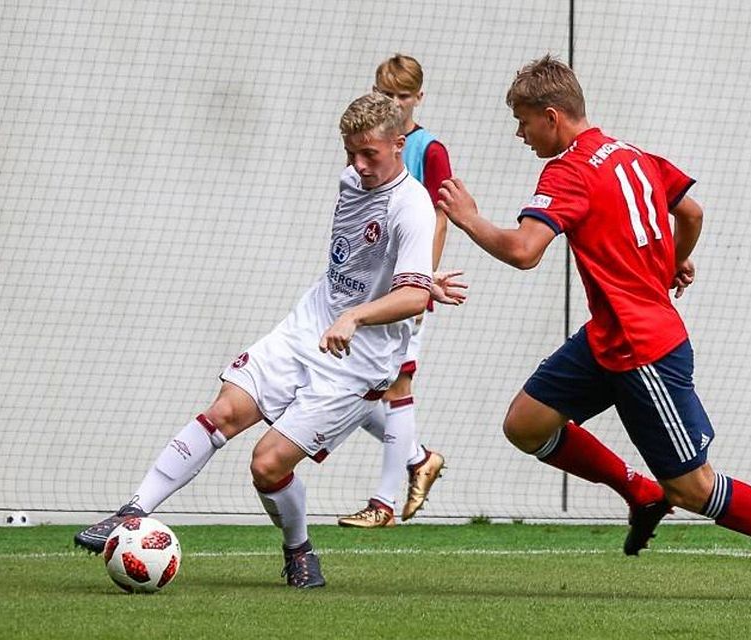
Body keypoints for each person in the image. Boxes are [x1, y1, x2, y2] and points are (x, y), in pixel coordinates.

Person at [437, 54, 751, 598]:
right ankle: (638, 490)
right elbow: (693, 212)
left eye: (523, 120)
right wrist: (670, 261)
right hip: (608, 334)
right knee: (526, 424)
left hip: (644, 349)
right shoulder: (632, 153)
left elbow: (523, 251)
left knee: (693, 488)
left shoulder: (568, 171)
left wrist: (468, 217)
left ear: (552, 115)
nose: (520, 133)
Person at [74, 91, 466, 588]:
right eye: (350, 152)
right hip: (307, 326)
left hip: (357, 359)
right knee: (223, 412)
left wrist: (361, 315)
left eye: (369, 153)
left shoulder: (412, 208)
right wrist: (406, 283)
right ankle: (131, 512)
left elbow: (410, 301)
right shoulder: (350, 181)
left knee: (266, 464)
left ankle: (298, 550)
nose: (358, 164)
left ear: (398, 144)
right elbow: (367, 265)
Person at [338, 54, 455, 528]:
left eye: (403, 96)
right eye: (385, 94)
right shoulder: (370, 146)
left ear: (418, 98)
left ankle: (383, 504)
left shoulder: (428, 149)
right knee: (363, 386)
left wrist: (423, 281)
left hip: (407, 285)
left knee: (397, 383)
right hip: (369, 289)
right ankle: (419, 458)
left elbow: (442, 217)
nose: (394, 103)